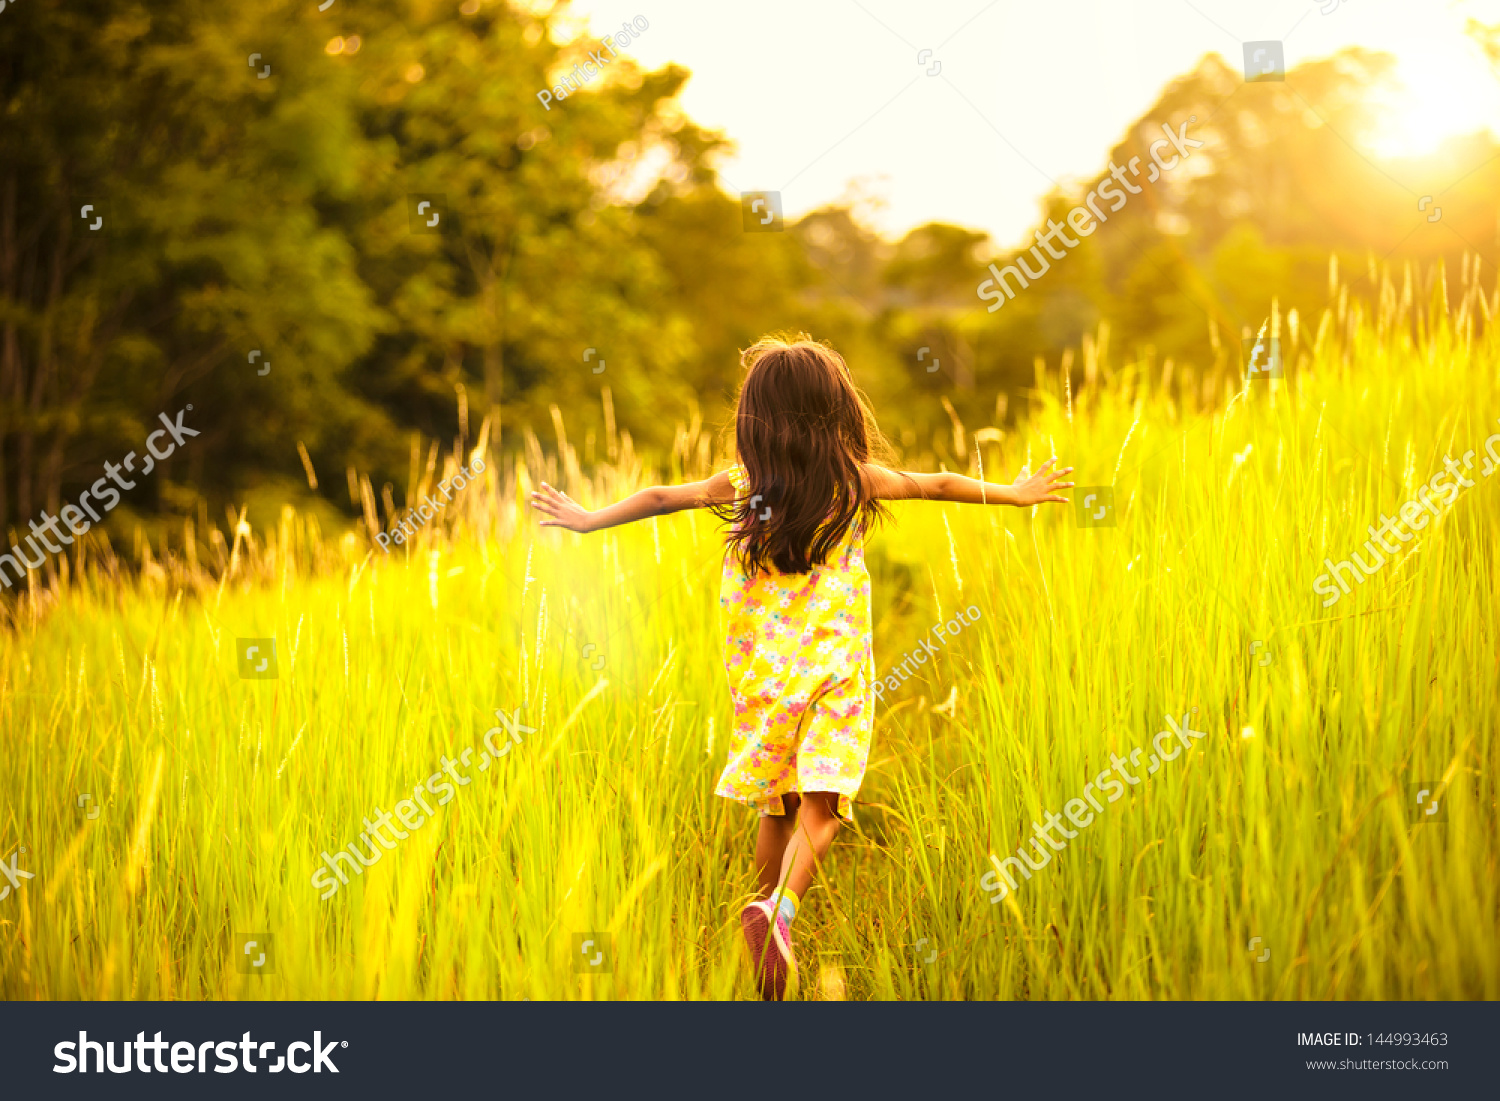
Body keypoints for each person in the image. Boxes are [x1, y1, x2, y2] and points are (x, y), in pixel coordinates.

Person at [529, 334, 1073, 999]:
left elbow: (659, 497)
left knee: (778, 801)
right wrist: (1016, 494)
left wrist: (586, 520)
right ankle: (779, 914)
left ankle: (763, 934)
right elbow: (935, 482)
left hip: (762, 673)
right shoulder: (853, 479)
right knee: (827, 800)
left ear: (753, 419)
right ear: (835, 410)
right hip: (835, 671)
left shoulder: (743, 485)